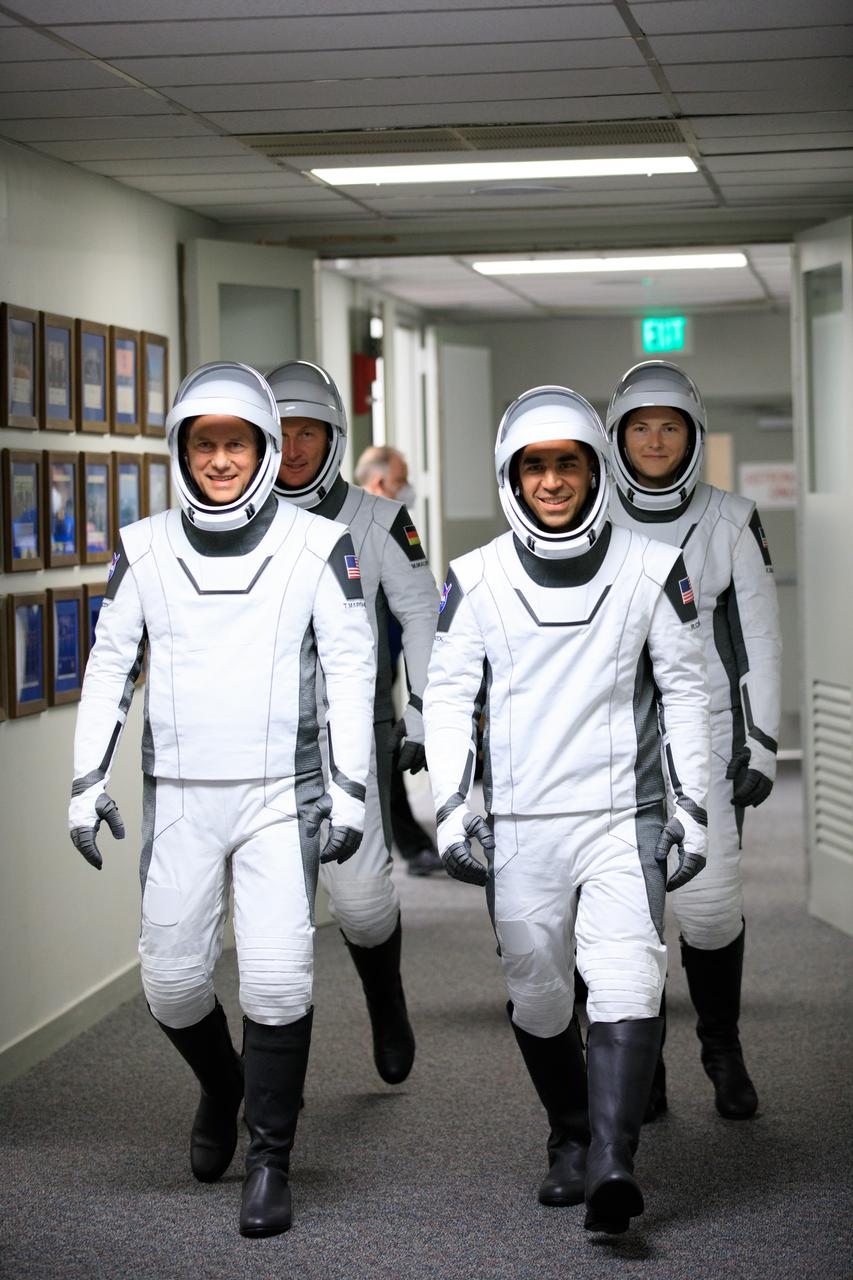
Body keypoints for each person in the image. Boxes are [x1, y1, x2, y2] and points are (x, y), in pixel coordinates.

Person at [67, 362, 376, 1239]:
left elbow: (351, 670)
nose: (219, 460)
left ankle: (270, 1159)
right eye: (203, 444)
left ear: (265, 448)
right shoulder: (144, 547)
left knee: (277, 979)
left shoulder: (319, 545)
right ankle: (222, 1084)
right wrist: (86, 781)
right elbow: (108, 665)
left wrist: (350, 790)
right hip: (181, 796)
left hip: (281, 795)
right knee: (170, 983)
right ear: (181, 451)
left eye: (235, 443)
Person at [423, 385, 710, 1235]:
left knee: (627, 975)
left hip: (624, 815)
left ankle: (614, 1163)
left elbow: (685, 692)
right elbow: (448, 699)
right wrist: (450, 808)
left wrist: (692, 808)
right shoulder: (475, 577)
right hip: (519, 824)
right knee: (539, 993)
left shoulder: (652, 566)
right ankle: (570, 1134)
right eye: (535, 466)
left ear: (594, 472)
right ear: (512, 476)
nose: (551, 481)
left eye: (568, 464)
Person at [606, 360, 781, 1121]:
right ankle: (641, 1067)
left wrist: (762, 740)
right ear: (616, 436)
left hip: (704, 735)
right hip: (611, 738)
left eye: (669, 427)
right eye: (640, 427)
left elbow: (759, 638)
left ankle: (721, 1046)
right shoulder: (588, 512)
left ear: (693, 435)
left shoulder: (730, 519)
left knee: (708, 907)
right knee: (625, 911)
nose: (654, 441)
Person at [266, 362, 439, 1083]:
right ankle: (269, 1089)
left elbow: (423, 615)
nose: (293, 448)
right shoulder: (228, 520)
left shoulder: (378, 519)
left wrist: (425, 711)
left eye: (307, 433)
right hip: (257, 742)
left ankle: (385, 1000)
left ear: (333, 438)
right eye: (280, 432)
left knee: (362, 902)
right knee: (275, 920)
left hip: (350, 735)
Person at [356, 445, 444, 876]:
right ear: (379, 483)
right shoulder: (351, 530)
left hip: (387, 670)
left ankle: (410, 843)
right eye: (401, 479)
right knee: (381, 755)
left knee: (386, 751)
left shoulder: (390, 524)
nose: (408, 488)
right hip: (363, 674)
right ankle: (410, 845)